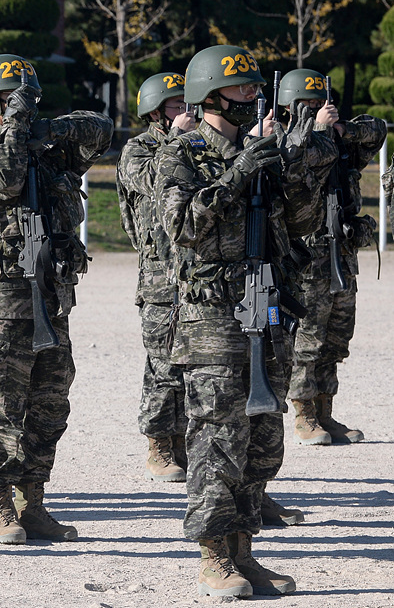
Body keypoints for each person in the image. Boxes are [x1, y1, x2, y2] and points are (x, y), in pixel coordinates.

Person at [156, 45, 332, 598]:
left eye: (256, 88)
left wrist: (301, 167)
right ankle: (213, 557)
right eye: (241, 90)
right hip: (212, 319)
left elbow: (300, 224)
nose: (253, 96)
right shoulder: (180, 154)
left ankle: (244, 551)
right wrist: (237, 176)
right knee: (217, 440)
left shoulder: (261, 150)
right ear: (210, 97)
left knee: (262, 441)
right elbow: (182, 226)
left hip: (267, 307)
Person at [0, 54, 112, 545]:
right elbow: (5, 180)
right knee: (3, 404)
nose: (20, 109)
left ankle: (33, 501)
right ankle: (0, 501)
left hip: (51, 298)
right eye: (9, 101)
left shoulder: (48, 146)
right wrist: (19, 127)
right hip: (3, 300)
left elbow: (100, 131)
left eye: (26, 100)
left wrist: (48, 125)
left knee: (49, 405)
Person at [277, 69, 387, 448]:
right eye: (309, 105)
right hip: (307, 257)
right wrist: (320, 133)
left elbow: (377, 129)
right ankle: (304, 412)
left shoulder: (340, 139)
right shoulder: (284, 140)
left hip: (340, 252)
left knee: (336, 337)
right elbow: (299, 163)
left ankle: (325, 409)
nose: (321, 109)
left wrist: (341, 131)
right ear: (291, 107)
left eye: (323, 102)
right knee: (307, 337)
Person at [116, 72, 195, 483]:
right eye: (176, 105)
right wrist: (176, 141)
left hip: (198, 272)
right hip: (160, 277)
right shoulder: (138, 150)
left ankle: (190, 442)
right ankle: (160, 445)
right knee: (163, 365)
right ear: (155, 112)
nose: (186, 112)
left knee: (197, 365)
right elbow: (152, 181)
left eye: (189, 103)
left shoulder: (198, 143)